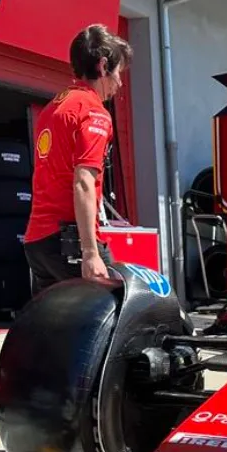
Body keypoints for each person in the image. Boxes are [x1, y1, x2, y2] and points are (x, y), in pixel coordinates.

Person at [23, 24, 132, 290]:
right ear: (104, 66)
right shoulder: (93, 112)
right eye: (119, 73)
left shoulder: (52, 109)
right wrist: (90, 253)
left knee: (56, 326)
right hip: (68, 241)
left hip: (38, 242)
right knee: (120, 309)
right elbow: (83, 182)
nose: (119, 83)